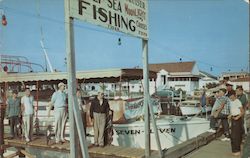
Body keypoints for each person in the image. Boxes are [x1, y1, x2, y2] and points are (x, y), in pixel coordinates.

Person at [228, 90, 244, 156]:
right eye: (229, 97)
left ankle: (237, 150)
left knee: (236, 135)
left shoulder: (238, 101)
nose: (230, 98)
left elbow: (242, 111)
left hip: (237, 118)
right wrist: (230, 115)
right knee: (232, 135)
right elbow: (232, 110)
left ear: (234, 95)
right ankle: (234, 150)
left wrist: (238, 117)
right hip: (232, 118)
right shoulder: (231, 102)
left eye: (231, 96)